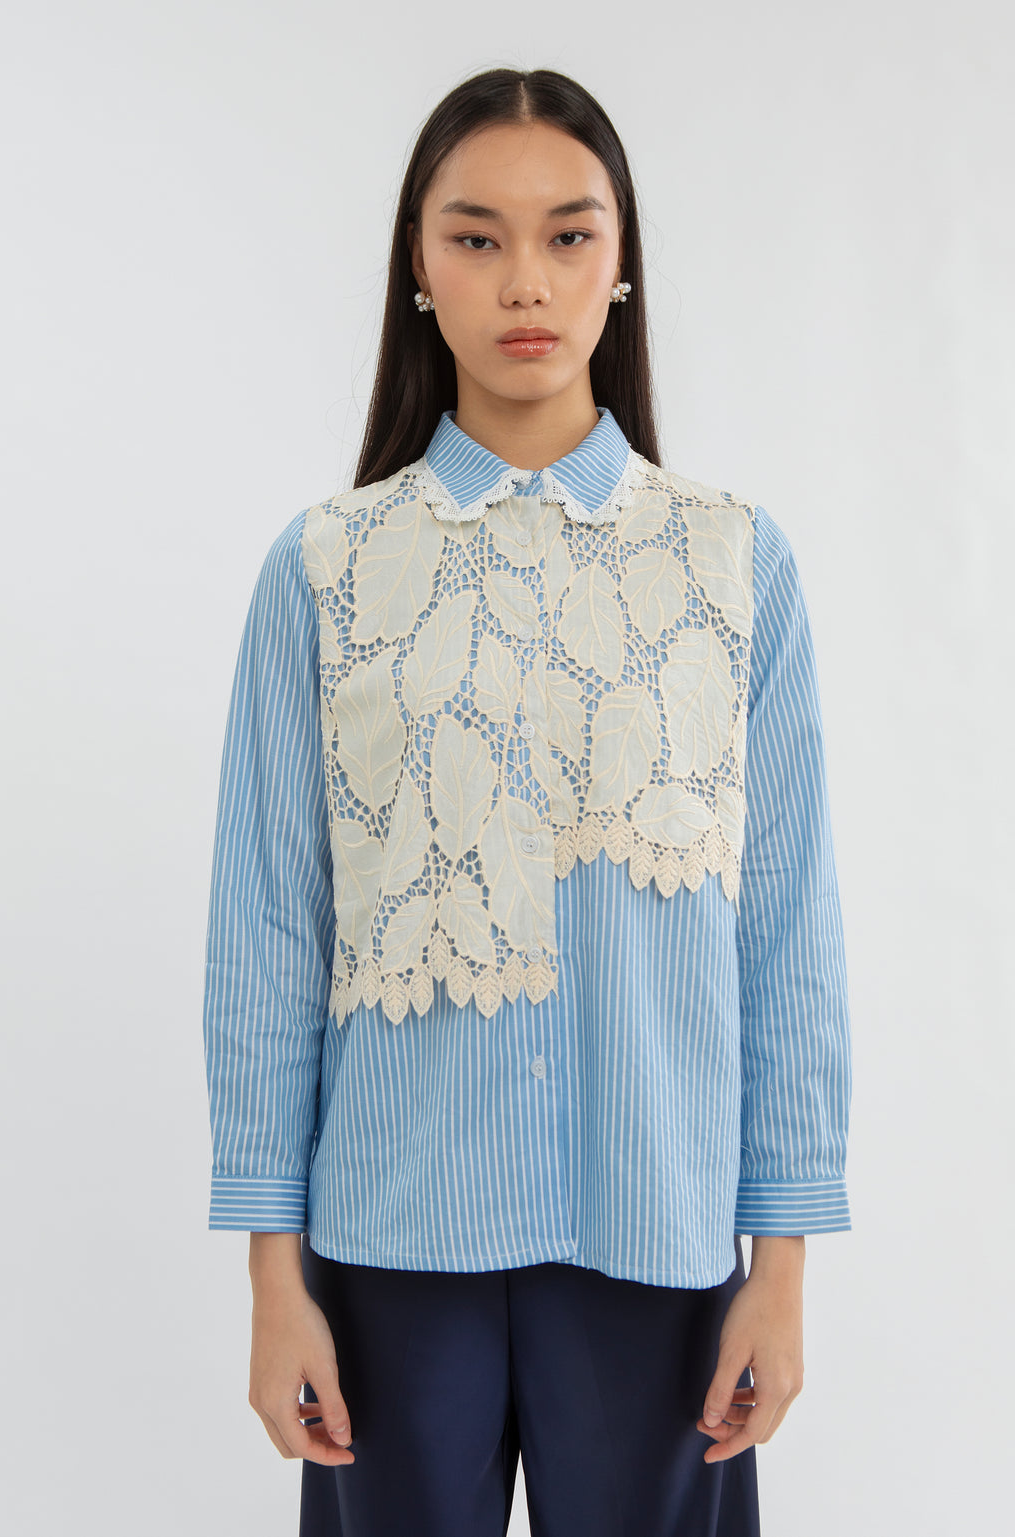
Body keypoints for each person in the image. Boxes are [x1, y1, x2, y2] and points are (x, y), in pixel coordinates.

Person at [202, 66, 852, 1537]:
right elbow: (268, 936)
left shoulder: (734, 564)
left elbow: (788, 937)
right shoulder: (324, 572)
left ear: (621, 264)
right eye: (476, 237)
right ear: (417, 267)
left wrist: (784, 1264)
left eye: (569, 235)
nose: (525, 283)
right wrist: (272, 1276)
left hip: (662, 1240)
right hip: (391, 1244)